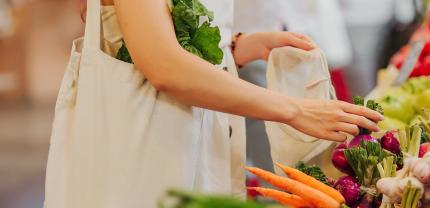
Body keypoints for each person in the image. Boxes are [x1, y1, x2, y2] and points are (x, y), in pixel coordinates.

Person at [44, 0, 383, 207]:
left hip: (188, 143)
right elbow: (162, 65)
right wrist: (294, 110)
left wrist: (241, 46)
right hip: (141, 150)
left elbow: (160, 35)